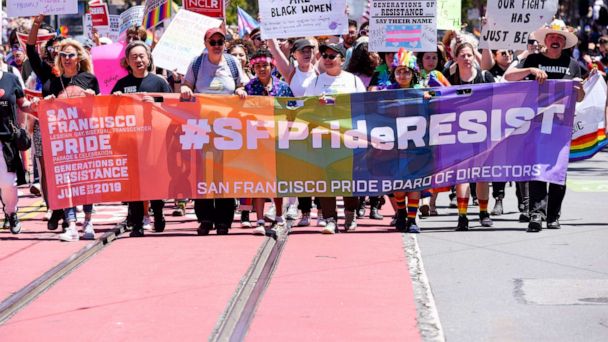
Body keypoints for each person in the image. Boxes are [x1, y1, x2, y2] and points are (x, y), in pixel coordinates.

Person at [504, 19, 585, 233]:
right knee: (537, 170)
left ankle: (553, 215)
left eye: (560, 38)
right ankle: (536, 215)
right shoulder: (533, 59)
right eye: (552, 37)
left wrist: (580, 89)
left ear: (564, 42)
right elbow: (508, 77)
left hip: (561, 127)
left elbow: (580, 97)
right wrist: (530, 69)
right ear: (546, 40)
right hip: (536, 125)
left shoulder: (572, 64)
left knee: (558, 172)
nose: (556, 40)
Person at [180, 27, 247, 236]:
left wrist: (240, 90)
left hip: (228, 128)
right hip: (202, 126)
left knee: (224, 173)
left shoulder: (233, 63)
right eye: (213, 42)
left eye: (220, 42)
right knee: (204, 173)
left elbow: (242, 84)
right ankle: (206, 218)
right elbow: (187, 84)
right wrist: (185, 88)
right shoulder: (197, 63)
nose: (217, 46)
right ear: (206, 44)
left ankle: (224, 220)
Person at [111, 41, 172, 237]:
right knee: (134, 183)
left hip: (155, 140)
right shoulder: (121, 85)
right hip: (131, 142)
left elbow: (172, 106)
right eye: (133, 57)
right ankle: (137, 223)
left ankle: (158, 213)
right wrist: (116, 100)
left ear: (148, 58)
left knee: (154, 179)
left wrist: (156, 103)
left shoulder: (159, 82)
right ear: (127, 62)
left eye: (141, 56)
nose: (138, 60)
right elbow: (110, 111)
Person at [304, 43, 366, 234]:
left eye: (332, 56)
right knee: (326, 177)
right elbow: (306, 108)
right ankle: (330, 218)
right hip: (323, 137)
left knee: (348, 178)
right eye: (325, 56)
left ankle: (350, 215)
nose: (328, 60)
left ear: (342, 58)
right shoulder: (315, 82)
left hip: (347, 136)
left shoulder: (353, 81)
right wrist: (317, 104)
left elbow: (363, 107)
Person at [443, 42, 495, 231]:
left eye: (470, 55)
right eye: (463, 55)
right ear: (455, 58)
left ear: (475, 57)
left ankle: (483, 212)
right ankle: (462, 215)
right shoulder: (449, 77)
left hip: (482, 132)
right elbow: (436, 95)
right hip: (457, 133)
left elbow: (498, 99)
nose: (466, 59)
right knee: (461, 175)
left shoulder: (484, 76)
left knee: (482, 175)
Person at [244, 50, 295, 235]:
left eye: (264, 65)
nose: (261, 69)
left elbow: (292, 110)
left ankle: (279, 216)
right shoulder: (248, 88)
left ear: (272, 66)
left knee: (277, 179)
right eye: (257, 66)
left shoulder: (283, 87)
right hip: (256, 140)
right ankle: (259, 219)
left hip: (278, 139)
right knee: (258, 179)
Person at [385, 48, 431, 233]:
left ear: (413, 73)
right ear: (394, 73)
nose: (402, 75)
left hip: (417, 144)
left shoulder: (423, 91)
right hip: (394, 145)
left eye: (406, 71)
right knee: (398, 185)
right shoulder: (386, 91)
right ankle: (401, 213)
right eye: (399, 71)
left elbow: (443, 96)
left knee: (415, 183)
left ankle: (412, 220)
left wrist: (430, 98)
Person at [0, 62, 37, 234]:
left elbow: (23, 104)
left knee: (8, 183)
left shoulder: (11, 79)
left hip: (6, 139)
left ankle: (11, 212)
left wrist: (35, 106)